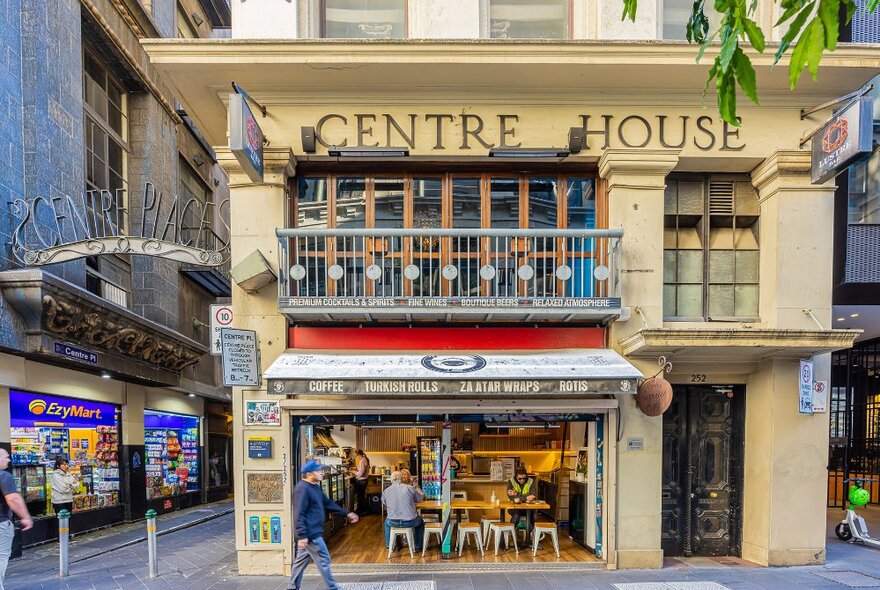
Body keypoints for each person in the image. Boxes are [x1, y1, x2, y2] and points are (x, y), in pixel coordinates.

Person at [287, 460, 358, 590]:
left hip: (311, 533)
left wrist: (347, 513)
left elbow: (328, 504)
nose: (321, 472)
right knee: (324, 560)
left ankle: (292, 586)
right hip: (310, 534)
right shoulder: (302, 489)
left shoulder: (315, 487)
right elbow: (299, 513)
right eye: (318, 471)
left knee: (300, 562)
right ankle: (332, 587)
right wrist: (302, 535)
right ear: (309, 474)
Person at [1, 448, 33, 590]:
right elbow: (13, 498)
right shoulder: (3, 476)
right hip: (1, 524)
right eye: (6, 457)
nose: (9, 460)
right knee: (1, 557)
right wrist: (26, 517)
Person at [382, 469, 425, 552]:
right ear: (401, 478)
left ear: (391, 479)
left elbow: (385, 503)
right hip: (410, 521)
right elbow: (420, 499)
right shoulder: (409, 488)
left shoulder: (386, 491)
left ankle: (390, 545)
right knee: (420, 522)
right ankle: (417, 546)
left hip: (393, 521)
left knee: (386, 523)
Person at [353, 449, 370, 515]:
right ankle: (363, 510)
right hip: (364, 480)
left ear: (358, 455)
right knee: (362, 496)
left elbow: (361, 473)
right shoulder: (365, 459)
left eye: (356, 455)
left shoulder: (362, 461)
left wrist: (353, 472)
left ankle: (361, 511)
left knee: (360, 496)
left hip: (362, 481)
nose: (357, 457)